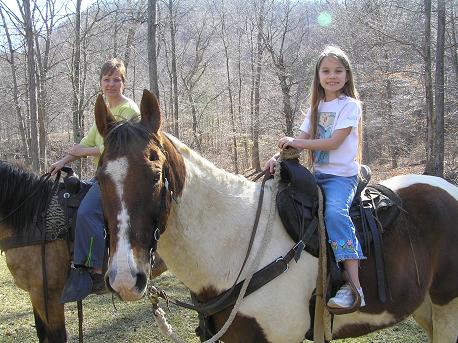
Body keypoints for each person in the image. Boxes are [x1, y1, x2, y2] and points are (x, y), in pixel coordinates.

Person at [265, 46, 365, 309]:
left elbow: (333, 142)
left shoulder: (350, 106)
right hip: (317, 176)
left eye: (338, 71)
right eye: (326, 71)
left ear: (347, 75)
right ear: (318, 76)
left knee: (334, 214)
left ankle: (354, 286)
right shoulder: (316, 107)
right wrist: (278, 158)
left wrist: (296, 141)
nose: (332, 76)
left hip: (341, 178)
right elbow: (301, 142)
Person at [49, 58, 140, 303]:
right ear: (100, 82)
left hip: (122, 178)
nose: (111, 84)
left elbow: (121, 150)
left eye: (116, 79)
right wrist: (63, 162)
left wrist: (84, 153)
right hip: (105, 175)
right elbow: (87, 143)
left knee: (87, 212)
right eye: (107, 79)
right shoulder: (104, 111)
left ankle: (94, 273)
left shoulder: (129, 110)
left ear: (124, 82)